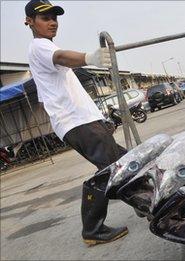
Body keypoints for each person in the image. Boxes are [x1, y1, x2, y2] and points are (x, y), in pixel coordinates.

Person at [25, 0, 128, 246]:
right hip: (78, 123)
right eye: (44, 18)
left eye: (54, 17)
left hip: (81, 121)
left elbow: (45, 95)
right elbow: (61, 57)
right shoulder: (40, 47)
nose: (52, 22)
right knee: (112, 168)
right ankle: (92, 229)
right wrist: (88, 57)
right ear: (29, 21)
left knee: (125, 163)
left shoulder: (43, 50)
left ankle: (146, 204)